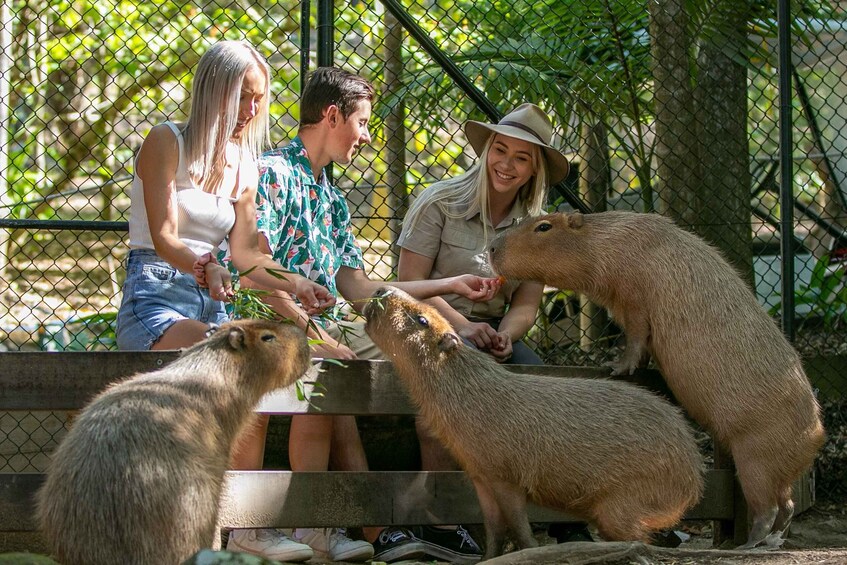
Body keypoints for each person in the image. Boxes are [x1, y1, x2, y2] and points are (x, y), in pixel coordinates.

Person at [223, 66, 501, 564]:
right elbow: (253, 277)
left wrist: (446, 286)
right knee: (328, 366)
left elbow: (357, 287)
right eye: (363, 122)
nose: (368, 136)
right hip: (276, 317)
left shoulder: (331, 197)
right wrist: (316, 334)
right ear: (332, 115)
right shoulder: (271, 174)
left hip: (330, 322)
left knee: (432, 354)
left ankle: (436, 519)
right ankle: (333, 524)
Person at [396, 103, 593, 547]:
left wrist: (508, 335)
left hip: (491, 334)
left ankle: (563, 518)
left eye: (521, 158)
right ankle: (441, 519)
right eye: (499, 150)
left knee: (542, 382)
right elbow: (409, 286)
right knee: (444, 397)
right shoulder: (440, 201)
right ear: (485, 152)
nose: (506, 164)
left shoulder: (534, 227)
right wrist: (462, 325)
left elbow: (526, 303)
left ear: (533, 170)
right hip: (431, 323)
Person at [116, 40, 335, 357]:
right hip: (156, 298)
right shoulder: (166, 140)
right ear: (212, 92)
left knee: (260, 360)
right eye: (241, 97)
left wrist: (297, 283)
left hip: (214, 305)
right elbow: (164, 237)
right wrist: (204, 267)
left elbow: (248, 257)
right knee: (235, 354)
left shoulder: (245, 163)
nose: (250, 111)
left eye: (258, 99)